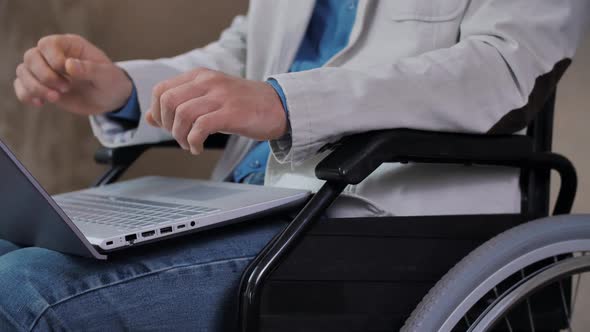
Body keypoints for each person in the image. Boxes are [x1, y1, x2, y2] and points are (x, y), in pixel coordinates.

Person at [4, 0, 589, 330]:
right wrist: (123, 88)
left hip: (374, 214)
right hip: (245, 201)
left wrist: (284, 102)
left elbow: (504, 73)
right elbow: (243, 55)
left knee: (26, 289)